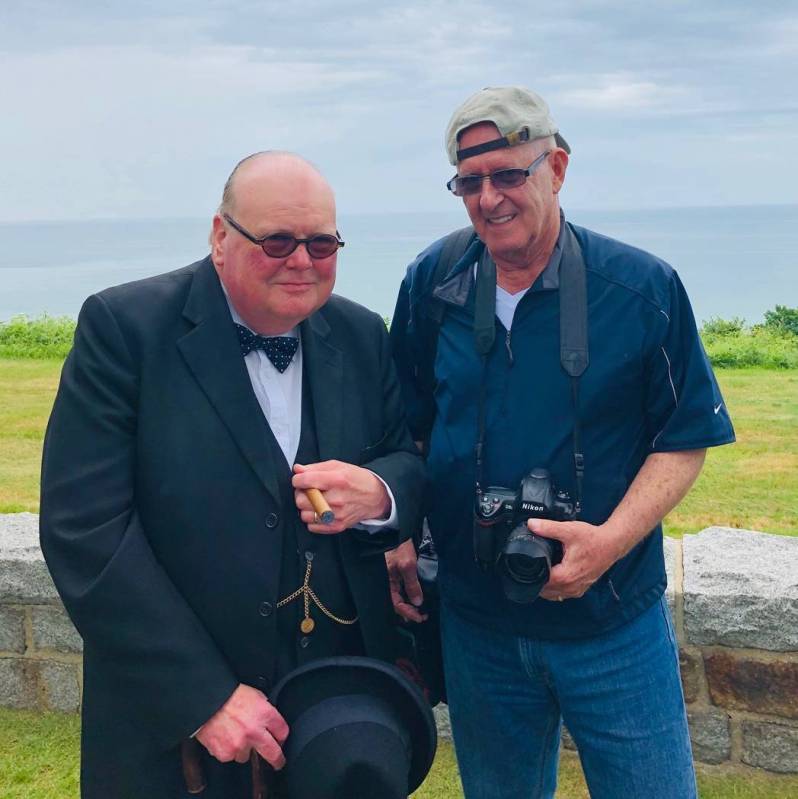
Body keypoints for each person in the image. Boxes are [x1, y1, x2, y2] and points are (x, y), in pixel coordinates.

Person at [40, 151, 424, 799]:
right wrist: (205, 697)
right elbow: (86, 530)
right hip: (175, 729)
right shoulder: (124, 329)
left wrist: (382, 493)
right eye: (276, 240)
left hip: (333, 720)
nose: (302, 260)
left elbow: (406, 460)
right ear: (221, 235)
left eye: (322, 242)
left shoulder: (361, 334)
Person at [387, 86, 735, 799]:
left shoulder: (641, 290)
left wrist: (608, 541)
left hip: (614, 623)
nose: (489, 198)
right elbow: (404, 427)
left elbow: (684, 437)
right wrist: (397, 529)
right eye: (469, 182)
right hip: (477, 620)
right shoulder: (433, 282)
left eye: (509, 174)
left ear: (558, 168)